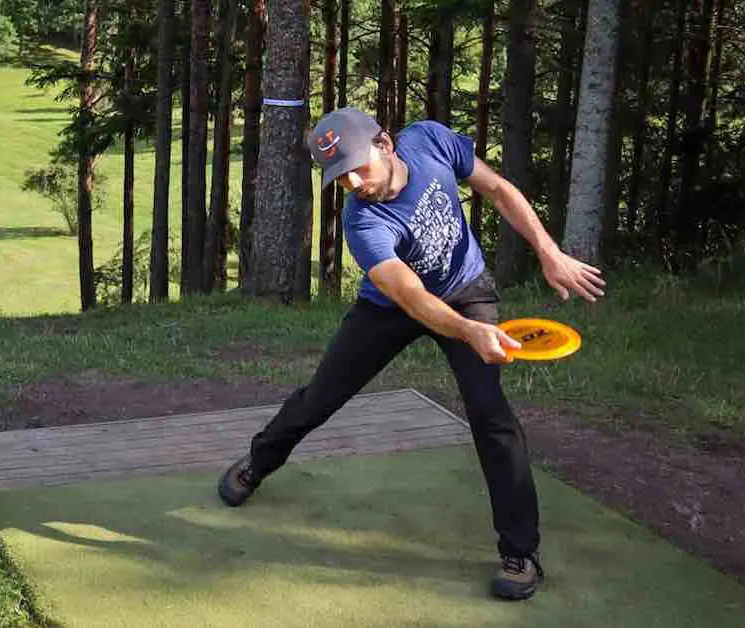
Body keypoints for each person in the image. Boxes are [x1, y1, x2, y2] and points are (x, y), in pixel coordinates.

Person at [217, 107, 606, 601]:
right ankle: (257, 462)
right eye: (340, 177)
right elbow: (411, 297)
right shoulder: (364, 222)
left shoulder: (430, 143)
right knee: (320, 398)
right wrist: (469, 333)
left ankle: (521, 553)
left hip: (467, 289)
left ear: (385, 144)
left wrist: (548, 253)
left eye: (358, 167)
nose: (354, 183)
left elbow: (500, 190)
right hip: (392, 309)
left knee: (493, 419)